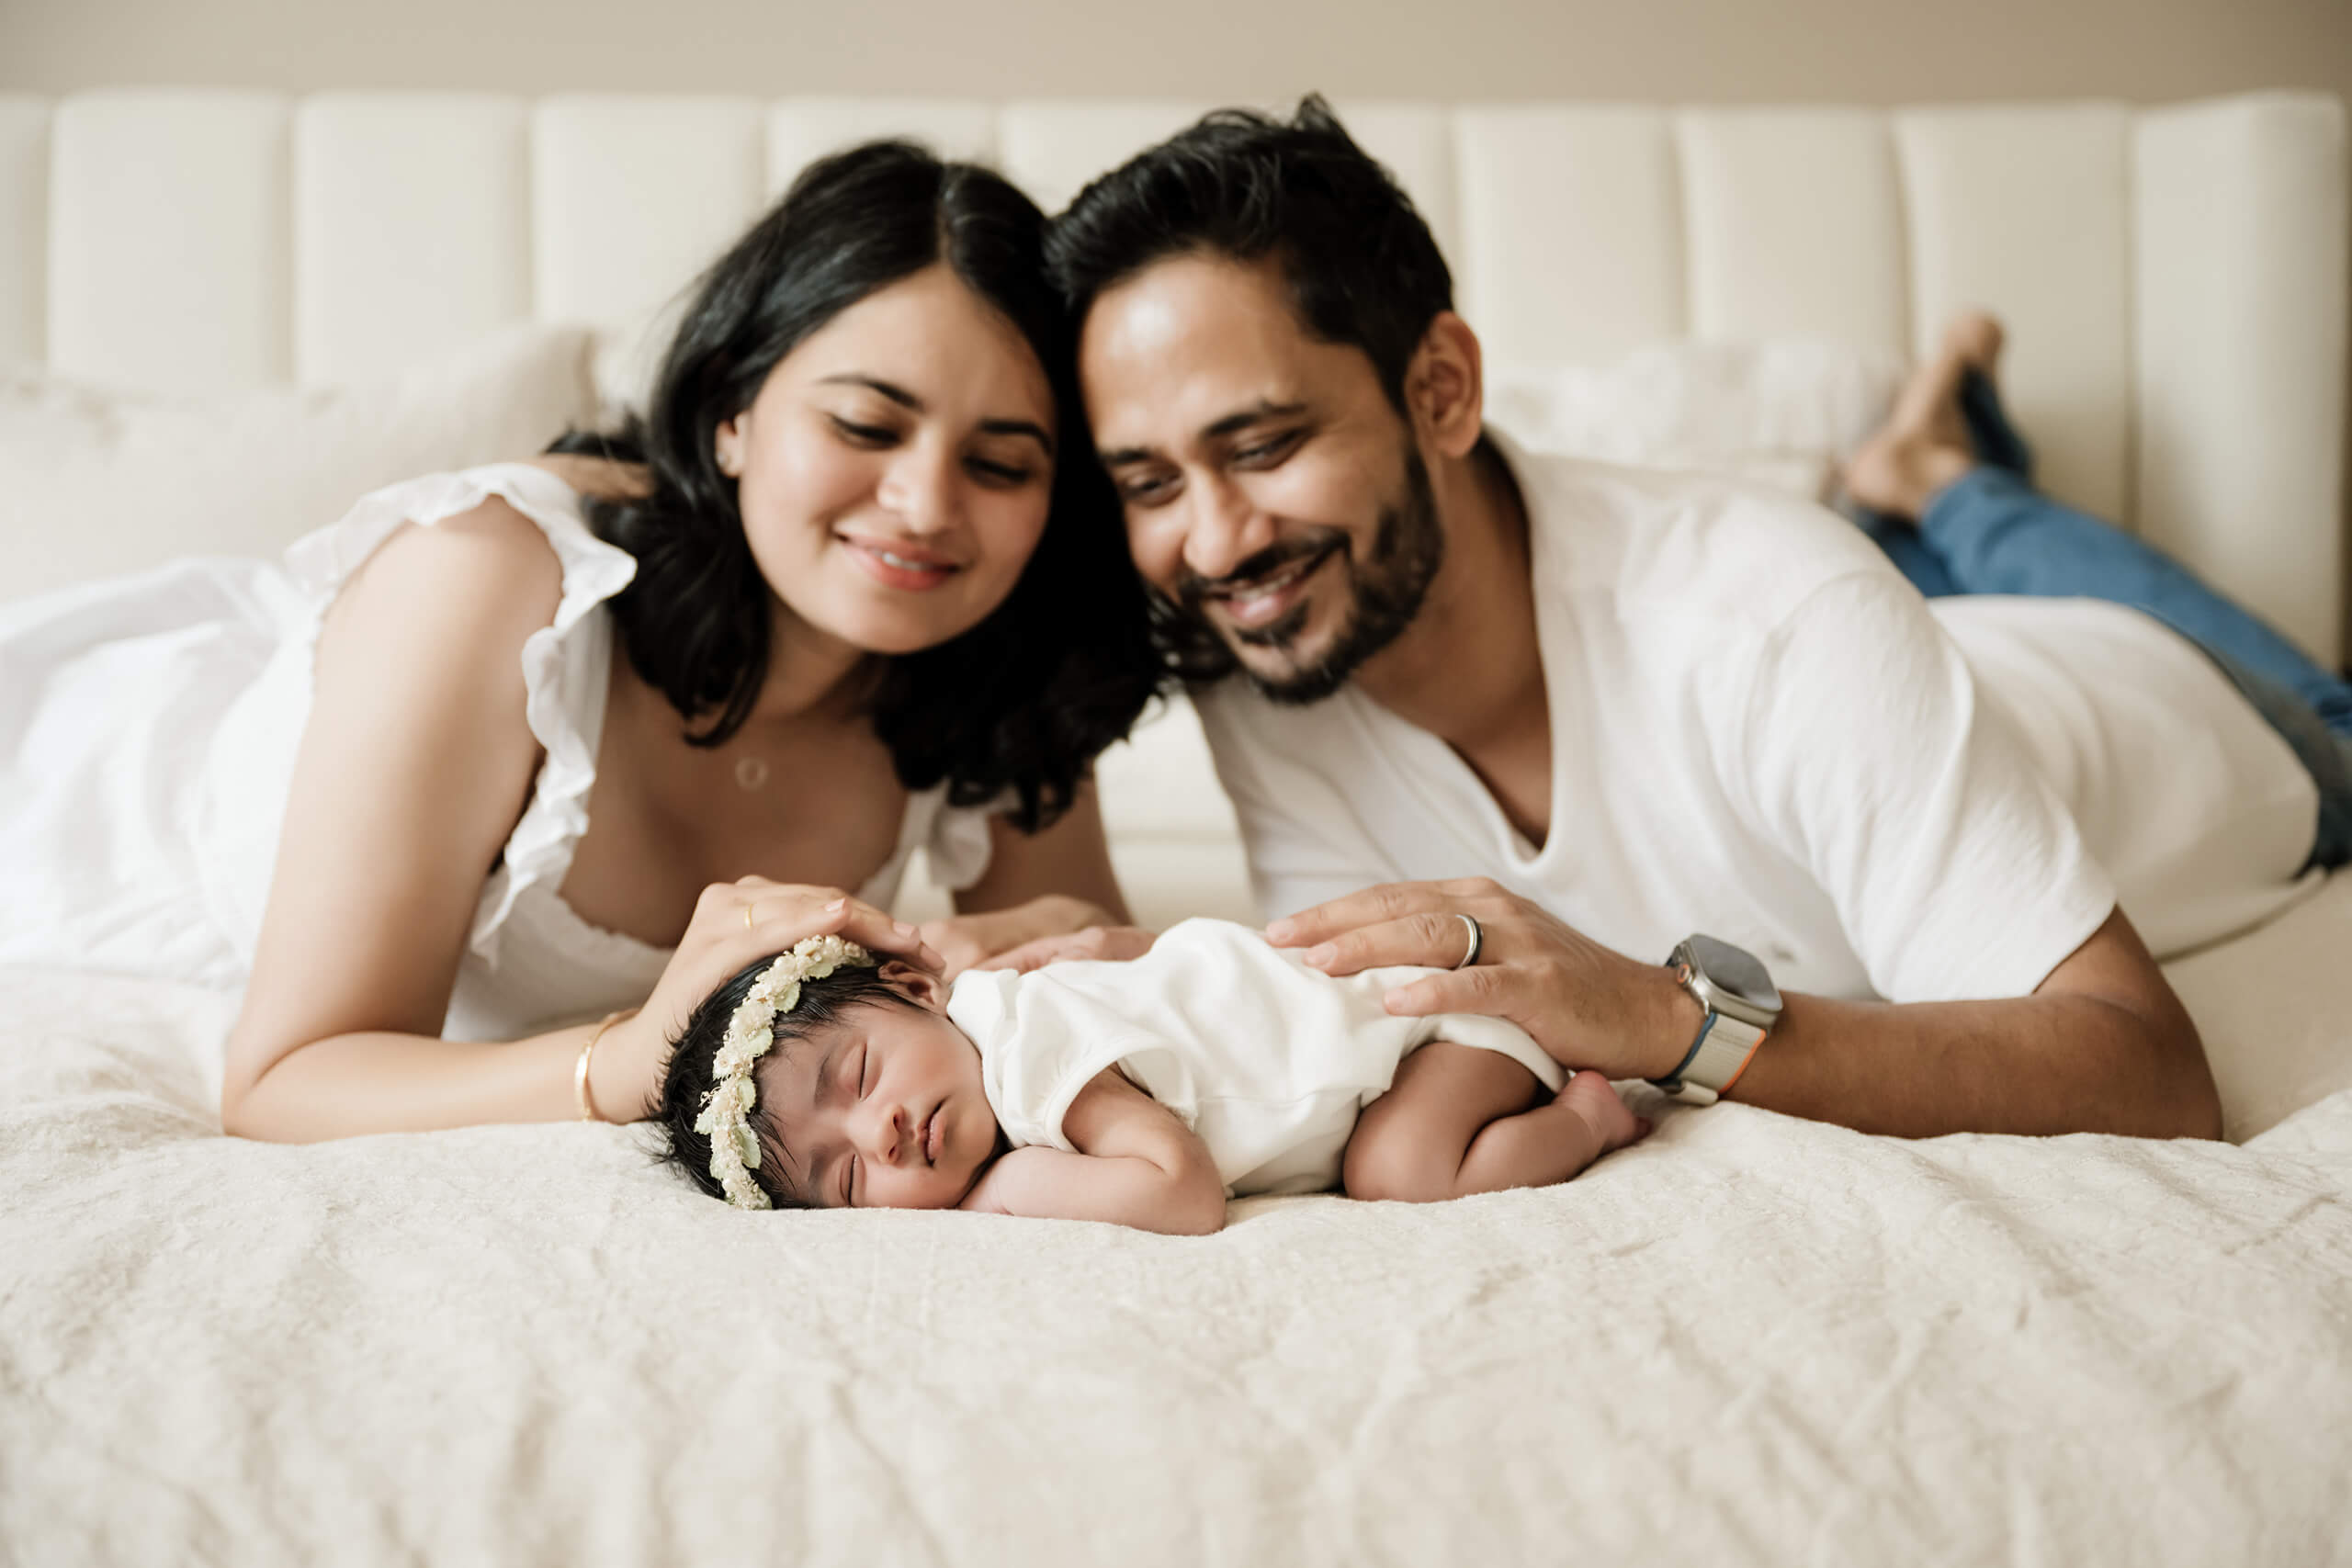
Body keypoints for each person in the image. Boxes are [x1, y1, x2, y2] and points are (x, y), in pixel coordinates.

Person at [1024, 96, 2352, 1141]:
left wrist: (1667, 1015)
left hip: (2199, 699)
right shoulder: (1272, 642)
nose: (1214, 545)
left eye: (1263, 445)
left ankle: (1946, 474)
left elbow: (2154, 1076)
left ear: (1441, 390)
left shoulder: (1783, 612)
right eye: (1148, 483)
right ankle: (1912, 477)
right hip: (1917, 666)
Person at [0, 141, 1162, 1141]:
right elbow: (284, 1082)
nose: (924, 504)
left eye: (999, 463)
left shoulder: (1002, 646)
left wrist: (1051, 932)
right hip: (71, 793)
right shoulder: (489, 577)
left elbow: (1089, 947)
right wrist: (634, 1057)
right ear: (732, 411)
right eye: (865, 425)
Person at [647, 919, 1649, 1232]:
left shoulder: (1025, 1047)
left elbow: (1182, 1191)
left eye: (861, 1074)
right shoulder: (988, 1052)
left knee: (1401, 1171)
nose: (882, 1133)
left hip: (1431, 1029)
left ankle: (1589, 1116)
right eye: (848, 1178)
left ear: (917, 987)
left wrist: (1010, 1188)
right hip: (1394, 1049)